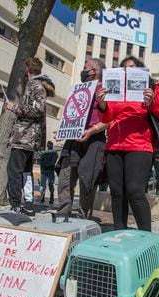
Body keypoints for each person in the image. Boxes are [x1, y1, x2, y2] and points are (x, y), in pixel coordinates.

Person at [96, 56, 159, 231]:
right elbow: (108, 117)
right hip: (114, 145)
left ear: (140, 70)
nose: (128, 70)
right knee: (117, 193)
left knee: (135, 191)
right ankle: (119, 231)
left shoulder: (153, 87)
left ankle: (146, 235)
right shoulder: (114, 90)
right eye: (124, 68)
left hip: (140, 145)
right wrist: (101, 104)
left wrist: (151, 103)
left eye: (132, 67)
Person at [55, 58, 108, 219]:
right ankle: (63, 212)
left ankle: (83, 216)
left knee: (88, 179)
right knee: (65, 176)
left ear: (94, 71)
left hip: (94, 138)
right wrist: (63, 129)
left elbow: (110, 118)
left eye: (86, 68)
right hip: (72, 137)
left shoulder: (106, 90)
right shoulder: (78, 89)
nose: (83, 70)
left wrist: (91, 131)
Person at [6, 57, 55, 216]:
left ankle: (16, 204)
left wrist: (15, 107)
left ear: (27, 69)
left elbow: (37, 109)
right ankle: (27, 203)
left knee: (14, 170)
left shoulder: (35, 85)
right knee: (26, 171)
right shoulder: (38, 85)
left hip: (24, 135)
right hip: (29, 136)